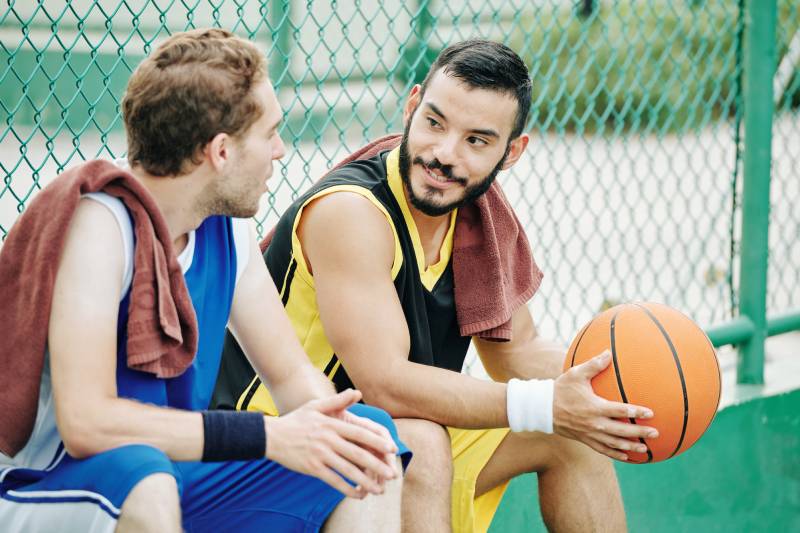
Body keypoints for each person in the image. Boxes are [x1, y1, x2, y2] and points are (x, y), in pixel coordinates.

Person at [215, 39, 660, 533]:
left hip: (384, 431)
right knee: (420, 442)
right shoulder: (351, 211)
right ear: (411, 106)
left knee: (569, 434)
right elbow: (383, 384)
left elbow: (518, 352)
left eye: (476, 141)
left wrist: (618, 392)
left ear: (511, 152)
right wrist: (544, 403)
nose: (444, 154)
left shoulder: (479, 214)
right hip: (280, 437)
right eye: (434, 123)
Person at [0, 28, 411, 533]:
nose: (280, 151)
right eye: (270, 133)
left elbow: (289, 377)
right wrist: (268, 437)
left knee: (368, 441)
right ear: (220, 151)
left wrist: (327, 427)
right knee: (145, 482)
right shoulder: (101, 227)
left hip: (177, 468)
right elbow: (87, 424)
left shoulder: (223, 228)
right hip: (54, 484)